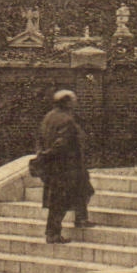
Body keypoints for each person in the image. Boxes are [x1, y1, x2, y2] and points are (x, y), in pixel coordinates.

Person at [37, 89, 95, 243]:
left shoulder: (48, 117)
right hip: (66, 167)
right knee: (60, 201)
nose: (75, 103)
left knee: (82, 189)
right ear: (67, 102)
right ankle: (53, 233)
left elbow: (41, 139)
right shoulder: (67, 120)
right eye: (73, 100)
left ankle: (81, 218)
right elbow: (62, 144)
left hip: (54, 166)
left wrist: (42, 156)